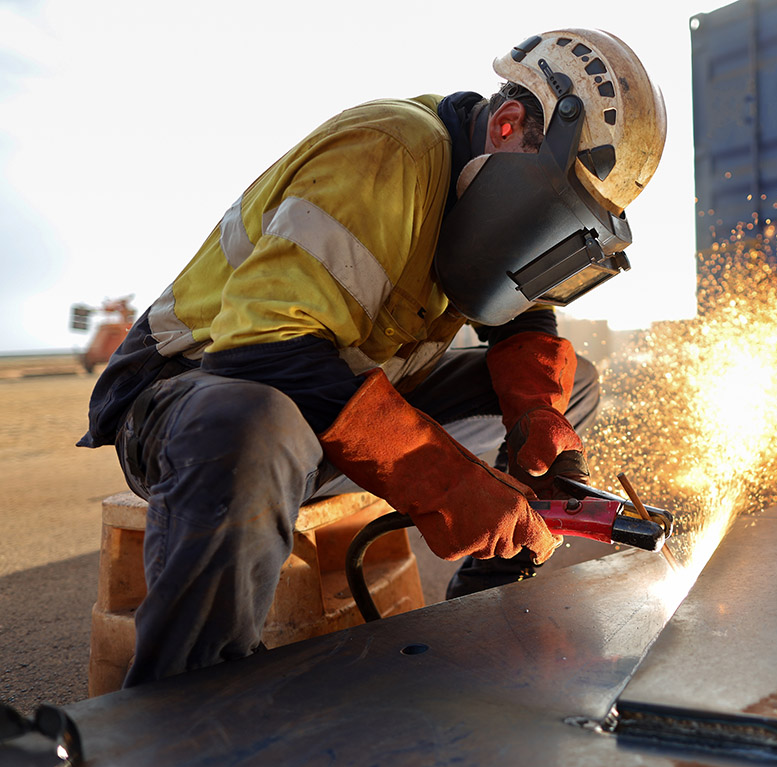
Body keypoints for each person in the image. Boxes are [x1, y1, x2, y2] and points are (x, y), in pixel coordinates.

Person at [77, 28, 667, 688]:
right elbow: (270, 354)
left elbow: (521, 315)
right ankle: (187, 708)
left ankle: (488, 603)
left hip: (325, 408)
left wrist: (536, 418)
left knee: (570, 382)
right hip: (191, 404)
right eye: (546, 212)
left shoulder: (476, 204)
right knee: (255, 421)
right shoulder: (388, 151)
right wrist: (453, 486)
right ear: (506, 125)